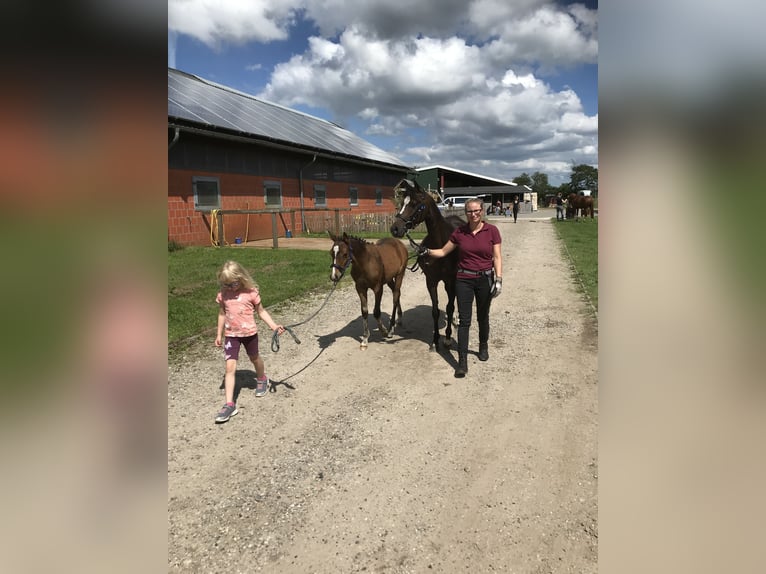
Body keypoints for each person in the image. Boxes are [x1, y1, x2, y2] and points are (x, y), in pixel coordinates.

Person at [419, 199, 503, 377]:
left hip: (485, 278)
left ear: (482, 211)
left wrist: (499, 279)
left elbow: (497, 256)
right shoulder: (459, 232)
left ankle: (483, 345)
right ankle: (462, 362)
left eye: (476, 210)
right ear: (466, 213)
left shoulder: (492, 231)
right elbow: (442, 251)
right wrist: (426, 251)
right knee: (464, 321)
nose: (473, 214)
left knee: (483, 316)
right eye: (470, 211)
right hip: (464, 279)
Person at [213, 260, 286, 423]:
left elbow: (261, 312)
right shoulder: (223, 294)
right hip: (231, 335)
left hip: (250, 334)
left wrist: (274, 326)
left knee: (255, 358)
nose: (230, 287)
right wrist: (219, 334)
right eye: (226, 284)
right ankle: (229, 404)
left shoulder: (251, 293)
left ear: (241, 278)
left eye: (233, 284)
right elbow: (221, 314)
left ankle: (261, 378)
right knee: (229, 367)